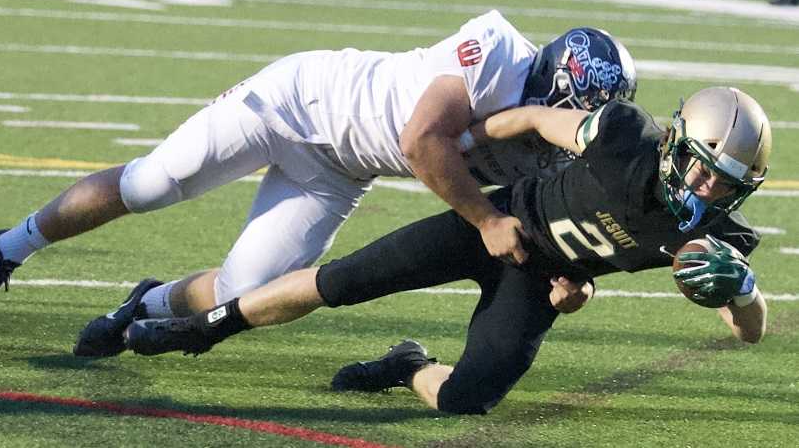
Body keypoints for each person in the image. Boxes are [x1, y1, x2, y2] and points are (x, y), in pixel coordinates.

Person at [0, 11, 638, 334]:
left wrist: (567, 279)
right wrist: (486, 219)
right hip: (294, 101)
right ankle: (8, 249)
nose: (557, 123)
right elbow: (421, 140)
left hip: (337, 171)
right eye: (555, 106)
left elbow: (558, 222)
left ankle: (144, 303)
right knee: (152, 182)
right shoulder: (495, 49)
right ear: (546, 76)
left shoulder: (560, 138)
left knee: (243, 294)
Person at [112, 86, 770, 415]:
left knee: (467, 397)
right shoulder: (624, 136)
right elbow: (539, 119)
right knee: (345, 280)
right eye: (702, 166)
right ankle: (201, 327)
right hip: (493, 222)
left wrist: (739, 291)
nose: (707, 186)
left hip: (539, 279)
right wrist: (468, 148)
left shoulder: (712, 238)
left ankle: (406, 363)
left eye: (726, 182)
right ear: (675, 143)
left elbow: (746, 329)